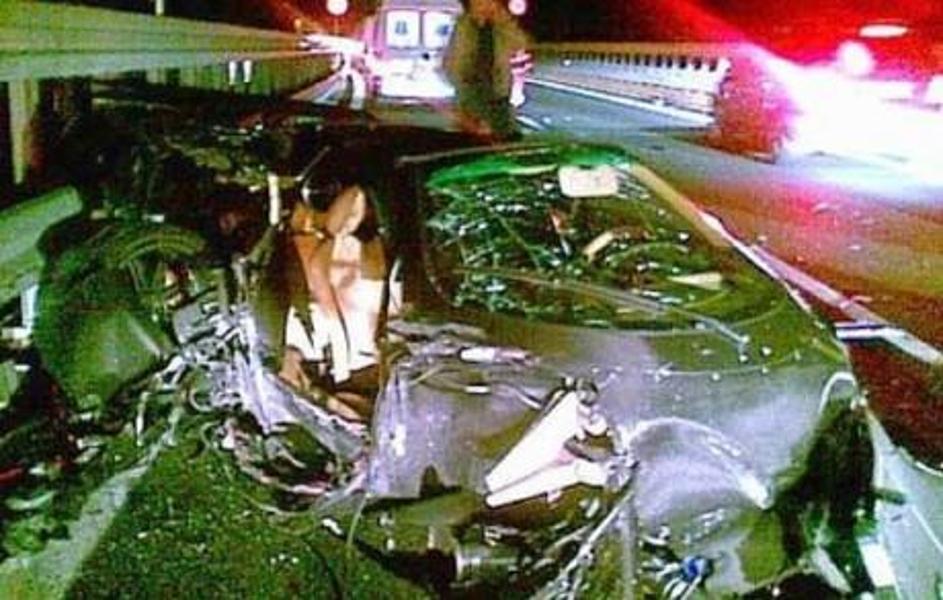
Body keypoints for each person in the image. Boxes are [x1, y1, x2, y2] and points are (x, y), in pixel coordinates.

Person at [443, 0, 529, 141]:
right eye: (478, 3)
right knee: (471, 135)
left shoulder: (503, 26)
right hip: (470, 90)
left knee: (504, 134)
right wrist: (458, 80)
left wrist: (502, 21)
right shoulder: (464, 26)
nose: (484, 6)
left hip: (497, 90)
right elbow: (452, 58)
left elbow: (519, 43)